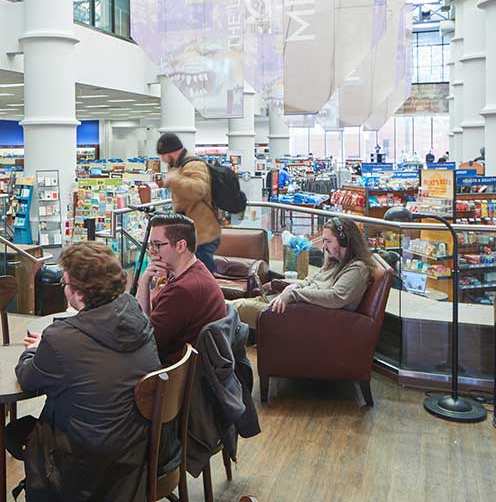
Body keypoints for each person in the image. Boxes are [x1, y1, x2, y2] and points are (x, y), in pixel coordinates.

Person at [14, 242, 163, 501]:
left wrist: (35, 349)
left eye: (66, 283)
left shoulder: (61, 339)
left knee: (13, 432)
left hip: (85, 466)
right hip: (137, 450)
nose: (65, 288)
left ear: (80, 294)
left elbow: (28, 378)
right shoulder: (135, 312)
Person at [229, 216, 376, 330]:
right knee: (235, 306)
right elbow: (311, 280)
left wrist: (295, 294)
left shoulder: (358, 269)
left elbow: (335, 297)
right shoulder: (335, 262)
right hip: (295, 306)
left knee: (234, 308)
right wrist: (294, 286)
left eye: (328, 241)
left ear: (345, 241)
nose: (324, 246)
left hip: (303, 314)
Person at [136, 213, 227, 363]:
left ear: (180, 246)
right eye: (151, 244)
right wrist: (145, 283)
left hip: (172, 374)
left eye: (157, 245)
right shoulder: (195, 271)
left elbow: (146, 341)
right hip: (188, 367)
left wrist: (143, 285)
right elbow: (148, 326)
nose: (152, 251)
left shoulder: (183, 290)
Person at [156, 133, 221, 273]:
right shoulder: (178, 166)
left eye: (163, 155)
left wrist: (174, 179)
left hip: (203, 234)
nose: (162, 159)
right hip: (191, 232)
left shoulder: (194, 165)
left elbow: (200, 190)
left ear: (171, 152)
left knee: (203, 275)